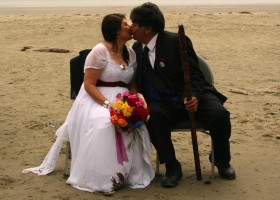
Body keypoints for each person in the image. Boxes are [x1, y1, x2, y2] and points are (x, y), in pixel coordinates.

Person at [22, 13, 155, 194]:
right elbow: (89, 85)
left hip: (123, 99)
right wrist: (109, 104)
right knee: (105, 123)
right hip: (97, 99)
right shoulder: (99, 51)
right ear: (116, 30)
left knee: (135, 122)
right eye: (125, 24)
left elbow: (131, 83)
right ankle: (104, 177)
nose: (129, 26)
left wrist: (134, 101)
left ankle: (128, 173)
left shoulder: (130, 53)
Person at [130, 2, 236, 188]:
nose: (131, 27)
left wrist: (194, 96)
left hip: (193, 97)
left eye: (135, 24)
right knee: (152, 116)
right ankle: (172, 166)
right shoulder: (137, 50)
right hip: (163, 103)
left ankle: (221, 160)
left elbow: (196, 75)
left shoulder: (176, 41)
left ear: (147, 28)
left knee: (220, 115)